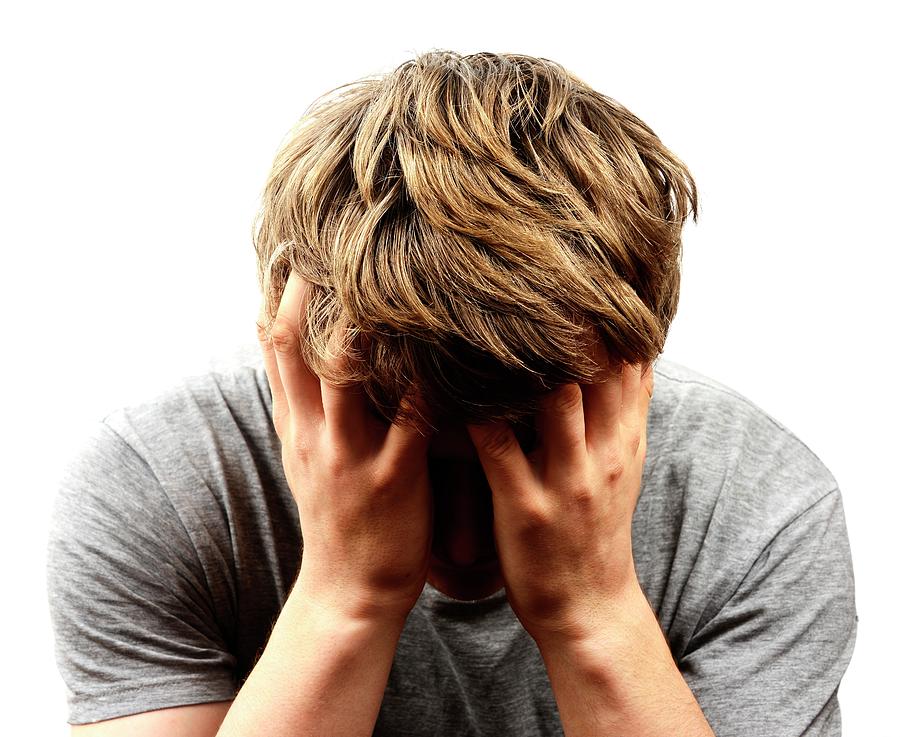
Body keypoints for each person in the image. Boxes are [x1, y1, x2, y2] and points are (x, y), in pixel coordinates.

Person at [47, 50, 857, 736]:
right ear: (299, 358)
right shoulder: (162, 481)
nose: (468, 550)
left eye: (529, 449)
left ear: (631, 365)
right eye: (422, 468)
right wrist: (346, 597)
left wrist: (594, 611)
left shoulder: (758, 507)